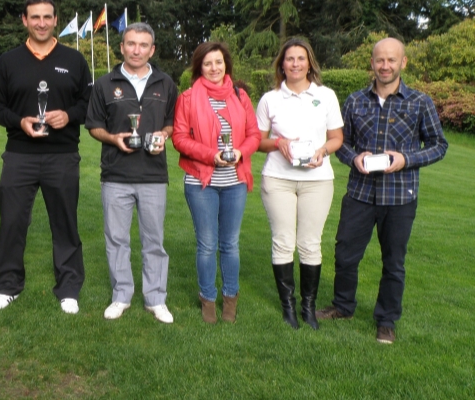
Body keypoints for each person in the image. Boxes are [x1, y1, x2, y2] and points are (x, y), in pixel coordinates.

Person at [316, 37, 448, 344]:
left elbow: (439, 145)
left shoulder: (420, 102)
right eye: (379, 60)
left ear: (403, 63)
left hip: (400, 197)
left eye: (391, 60)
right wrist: (353, 157)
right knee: (346, 255)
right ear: (372, 63)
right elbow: (340, 143)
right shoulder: (354, 101)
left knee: (393, 262)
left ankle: (386, 319)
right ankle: (343, 306)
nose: (385, 66)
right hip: (360, 193)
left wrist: (406, 159)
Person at [0, 0, 92, 315]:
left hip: (62, 155)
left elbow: (89, 105)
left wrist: (68, 116)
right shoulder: (8, 61)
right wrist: (19, 121)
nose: (41, 23)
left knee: (65, 224)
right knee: (13, 222)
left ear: (56, 20)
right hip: (19, 155)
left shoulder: (74, 60)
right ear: (24, 20)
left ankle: (69, 287)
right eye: (35, 17)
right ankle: (7, 286)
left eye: (47, 17)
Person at [86, 23, 178, 324]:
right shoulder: (104, 84)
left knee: (154, 241)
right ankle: (121, 295)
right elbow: (94, 126)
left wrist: (163, 136)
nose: (136, 50)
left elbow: (171, 122)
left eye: (143, 45)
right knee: (117, 239)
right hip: (116, 174)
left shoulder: (165, 83)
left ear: (152, 49)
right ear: (122, 47)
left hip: (153, 175)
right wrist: (113, 139)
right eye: (131, 44)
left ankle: (155, 299)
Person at [256, 38, 343, 330]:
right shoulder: (270, 98)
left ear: (309, 63)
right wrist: (279, 142)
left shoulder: (326, 95)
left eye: (300, 59)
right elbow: (258, 141)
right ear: (282, 63)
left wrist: (322, 151)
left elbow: (336, 138)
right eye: (290, 59)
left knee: (310, 244)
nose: (295, 64)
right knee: (283, 242)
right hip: (278, 179)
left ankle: (308, 308)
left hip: (317, 181)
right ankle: (288, 308)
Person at [172, 42, 260, 324]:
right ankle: (208, 298)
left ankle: (230, 298)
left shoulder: (240, 96)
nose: (214, 68)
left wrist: (240, 152)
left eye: (218, 62)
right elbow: (180, 138)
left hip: (234, 181)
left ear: (226, 64)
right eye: (208, 63)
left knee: (230, 244)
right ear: (199, 67)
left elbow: (253, 134)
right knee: (207, 244)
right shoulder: (187, 98)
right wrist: (211, 155)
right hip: (201, 181)